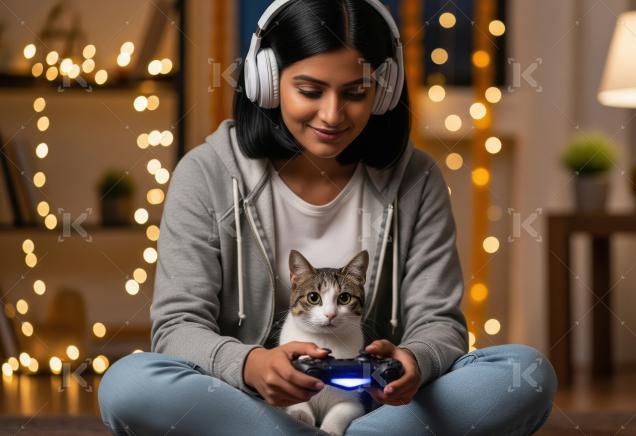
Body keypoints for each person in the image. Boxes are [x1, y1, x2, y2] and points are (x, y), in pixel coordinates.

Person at [97, 0, 556, 434]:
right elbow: (178, 327)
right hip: (245, 396)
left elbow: (439, 321)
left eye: (356, 93)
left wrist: (413, 360)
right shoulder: (207, 173)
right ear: (267, 80)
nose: (333, 115)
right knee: (127, 384)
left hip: (371, 403)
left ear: (384, 90)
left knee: (527, 374)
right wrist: (251, 365)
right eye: (310, 91)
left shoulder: (416, 179)